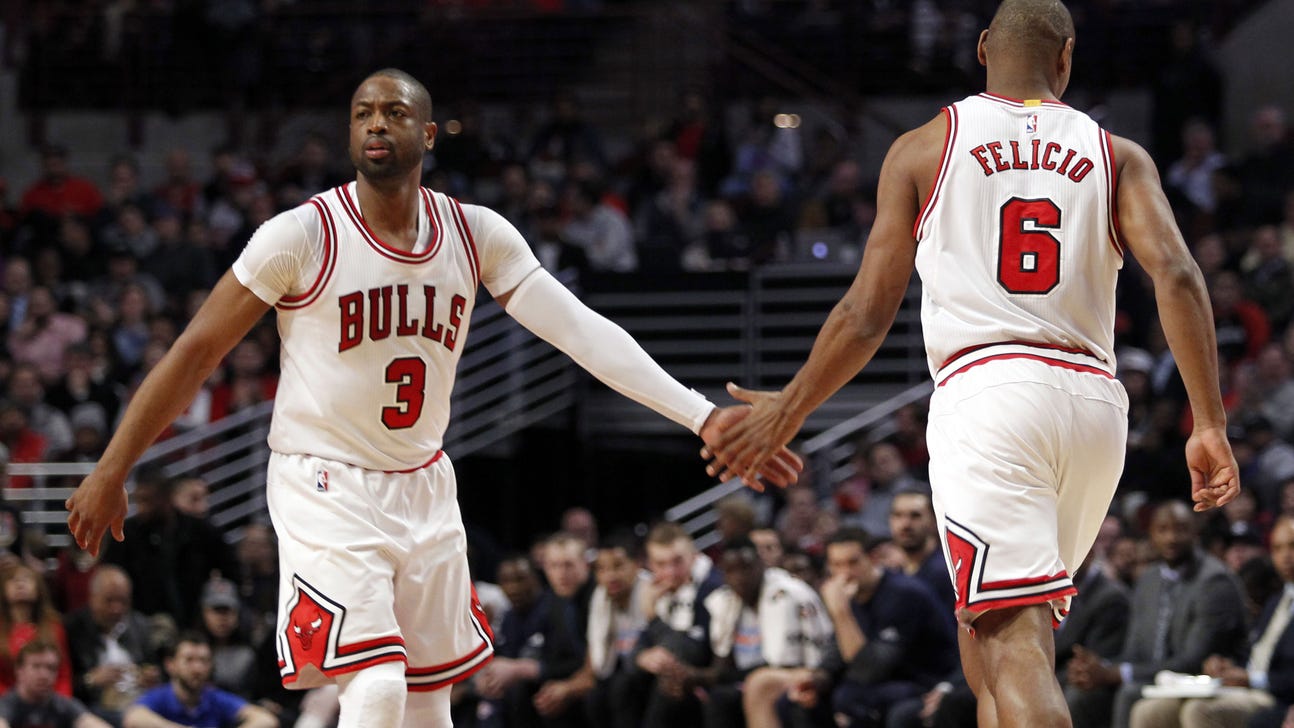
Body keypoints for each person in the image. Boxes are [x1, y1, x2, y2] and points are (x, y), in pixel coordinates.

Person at [65, 69, 800, 728]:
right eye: (362, 113)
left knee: (427, 703)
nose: (375, 124)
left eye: (393, 112)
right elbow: (195, 352)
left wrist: (702, 414)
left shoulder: (475, 234)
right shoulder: (301, 235)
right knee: (378, 686)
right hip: (324, 480)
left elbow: (581, 332)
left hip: (423, 482)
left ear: (427, 133)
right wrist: (113, 466)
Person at [703, 2, 1240, 726]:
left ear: (983, 47)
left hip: (991, 396)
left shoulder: (924, 148)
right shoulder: (1118, 155)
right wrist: (1208, 422)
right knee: (986, 648)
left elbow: (865, 314)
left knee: (1013, 648)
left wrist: (789, 407)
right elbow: (1177, 273)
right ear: (1066, 58)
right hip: (1093, 404)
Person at [1127, 514, 1294, 728]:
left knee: (1199, 710)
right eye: (1278, 548)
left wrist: (1252, 679)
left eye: (1292, 546)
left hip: (1276, 696)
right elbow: (1257, 654)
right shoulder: (1276, 601)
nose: (1285, 556)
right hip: (1246, 687)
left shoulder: (1217, 580)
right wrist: (1228, 666)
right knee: (1148, 711)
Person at [124, 631, 278, 728]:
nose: (197, 668)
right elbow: (134, 718)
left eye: (203, 661)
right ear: (170, 665)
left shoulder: (214, 698)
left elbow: (266, 720)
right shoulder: (160, 696)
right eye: (189, 660)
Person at [0, 640, 111, 728]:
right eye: (36, 666)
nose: (44, 675)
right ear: (19, 670)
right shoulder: (6, 705)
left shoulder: (63, 705)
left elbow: (89, 722)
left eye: (51, 668)